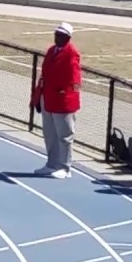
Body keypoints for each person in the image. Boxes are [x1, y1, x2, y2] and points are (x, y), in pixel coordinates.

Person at [32, 22, 81, 179]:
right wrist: (37, 97)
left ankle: (65, 167)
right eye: (56, 34)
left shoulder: (71, 53)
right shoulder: (51, 51)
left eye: (60, 35)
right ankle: (52, 164)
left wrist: (66, 93)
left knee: (64, 136)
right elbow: (44, 74)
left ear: (67, 38)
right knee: (50, 134)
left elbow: (75, 78)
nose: (57, 37)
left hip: (62, 101)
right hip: (47, 98)